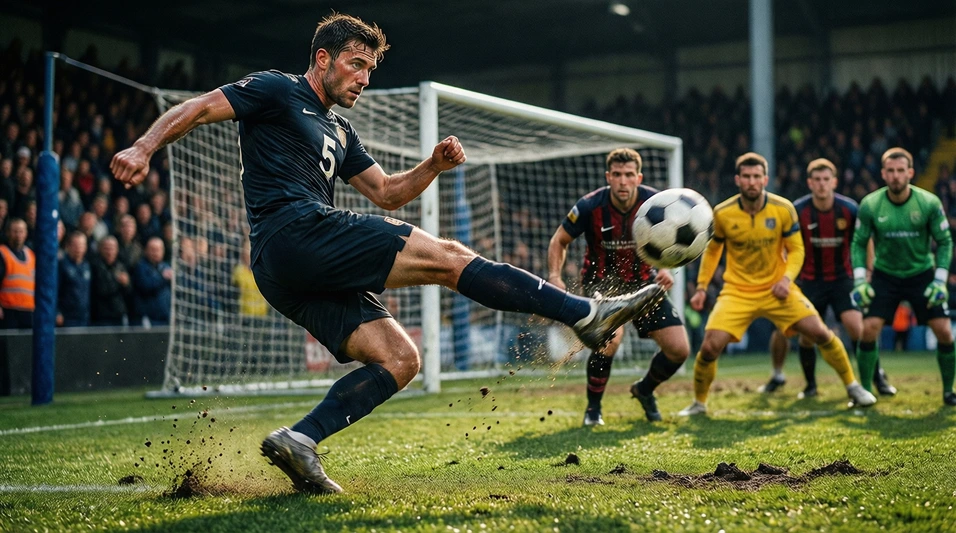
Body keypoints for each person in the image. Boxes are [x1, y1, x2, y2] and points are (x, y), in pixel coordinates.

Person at [110, 13, 664, 494]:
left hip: (289, 269)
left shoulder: (340, 129)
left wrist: (432, 167)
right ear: (323, 58)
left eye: (370, 70)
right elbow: (201, 107)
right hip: (294, 232)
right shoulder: (277, 90)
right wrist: (143, 146)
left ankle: (300, 440)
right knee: (448, 257)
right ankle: (585, 316)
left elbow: (386, 192)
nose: (364, 78)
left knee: (401, 360)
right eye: (355, 64)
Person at [680, 152, 876, 416]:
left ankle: (853, 386)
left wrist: (786, 279)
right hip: (737, 292)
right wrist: (702, 287)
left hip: (778, 288)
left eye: (757, 177)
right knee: (709, 346)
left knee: (819, 332)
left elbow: (796, 250)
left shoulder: (783, 208)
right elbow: (713, 251)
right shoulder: (723, 213)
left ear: (765, 179)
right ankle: (699, 403)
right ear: (738, 180)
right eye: (746, 177)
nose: (752, 182)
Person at [548, 148, 688, 425]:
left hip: (645, 284)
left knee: (679, 350)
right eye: (617, 175)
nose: (623, 181)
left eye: (628, 175)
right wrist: (555, 275)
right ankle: (593, 410)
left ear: (638, 177)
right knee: (610, 341)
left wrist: (666, 269)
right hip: (603, 285)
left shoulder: (656, 203)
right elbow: (559, 240)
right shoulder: (590, 206)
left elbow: (673, 243)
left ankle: (644, 390)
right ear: (608, 177)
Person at [763, 159, 895, 398]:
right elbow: (785, 244)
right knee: (806, 336)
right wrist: (785, 275)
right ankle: (810, 386)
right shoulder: (798, 210)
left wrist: (868, 270)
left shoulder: (849, 209)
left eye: (826, 180)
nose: (822, 185)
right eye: (817, 180)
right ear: (809, 183)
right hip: (808, 281)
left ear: (834, 182)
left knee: (859, 329)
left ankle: (878, 379)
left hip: (842, 280)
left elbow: (865, 240)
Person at [851, 147, 956, 406]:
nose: (896, 176)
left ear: (910, 172)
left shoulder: (929, 203)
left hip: (922, 273)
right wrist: (860, 280)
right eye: (891, 171)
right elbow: (858, 243)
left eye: (901, 171)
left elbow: (944, 241)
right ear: (883, 174)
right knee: (868, 330)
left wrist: (940, 280)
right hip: (885, 275)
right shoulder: (870, 205)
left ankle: (948, 391)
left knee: (944, 332)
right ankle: (864, 391)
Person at [0, 218, 34, 329]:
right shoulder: (2, 253)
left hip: (28, 310)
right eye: (15, 231)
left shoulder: (31, 255)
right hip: (8, 310)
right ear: (8, 233)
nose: (18, 235)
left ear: (26, 233)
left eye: (21, 231)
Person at [90, 235, 130, 327]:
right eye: (106, 248)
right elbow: (101, 289)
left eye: (112, 248)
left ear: (117, 250)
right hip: (102, 316)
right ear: (100, 249)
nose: (109, 252)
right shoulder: (95, 266)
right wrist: (118, 281)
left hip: (119, 314)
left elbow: (129, 292)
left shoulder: (121, 266)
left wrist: (127, 284)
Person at [131, 237, 172, 326]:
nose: (156, 253)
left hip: (165, 317)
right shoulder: (140, 267)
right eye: (153, 250)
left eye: (158, 250)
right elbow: (146, 286)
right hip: (149, 318)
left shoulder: (166, 266)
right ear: (146, 251)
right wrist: (163, 278)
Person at [57, 231, 91, 327]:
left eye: (81, 245)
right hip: (67, 317)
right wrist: (57, 312)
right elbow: (55, 290)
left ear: (85, 247)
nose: (78, 248)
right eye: (75, 245)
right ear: (68, 246)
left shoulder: (87, 266)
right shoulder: (62, 265)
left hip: (84, 317)